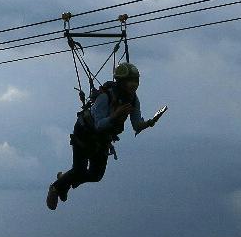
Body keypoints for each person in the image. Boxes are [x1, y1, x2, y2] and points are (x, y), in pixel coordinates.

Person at [46, 62, 164, 210]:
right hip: (84, 134)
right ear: (121, 82)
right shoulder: (105, 96)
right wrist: (115, 116)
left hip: (102, 138)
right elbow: (98, 124)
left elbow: (136, 125)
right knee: (79, 170)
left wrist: (150, 122)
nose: (134, 85)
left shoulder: (133, 99)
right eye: (130, 81)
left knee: (96, 175)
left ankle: (65, 181)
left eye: (136, 81)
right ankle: (56, 187)